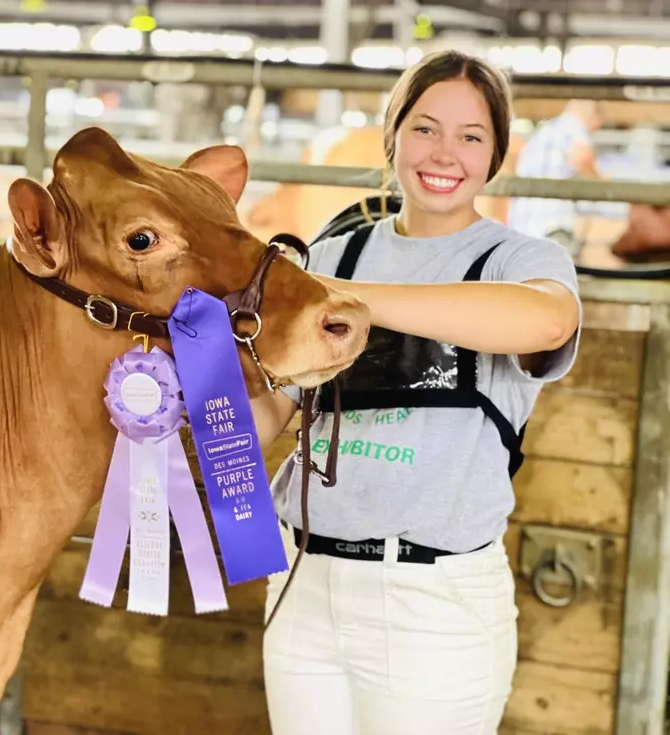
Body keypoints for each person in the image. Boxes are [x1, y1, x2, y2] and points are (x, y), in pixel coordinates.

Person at [250, 50, 582, 735]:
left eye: (471, 136)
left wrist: (337, 299)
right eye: (425, 128)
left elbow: (547, 320)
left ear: (495, 154)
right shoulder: (332, 254)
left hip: (432, 600)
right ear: (393, 132)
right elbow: (269, 416)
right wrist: (190, 397)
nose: (445, 153)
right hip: (303, 580)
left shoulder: (521, 261)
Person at [507, 98, 605, 257]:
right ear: (594, 116)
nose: (595, 130)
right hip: (552, 227)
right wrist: (602, 182)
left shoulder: (543, 133)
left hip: (523, 226)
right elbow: (581, 156)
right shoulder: (572, 125)